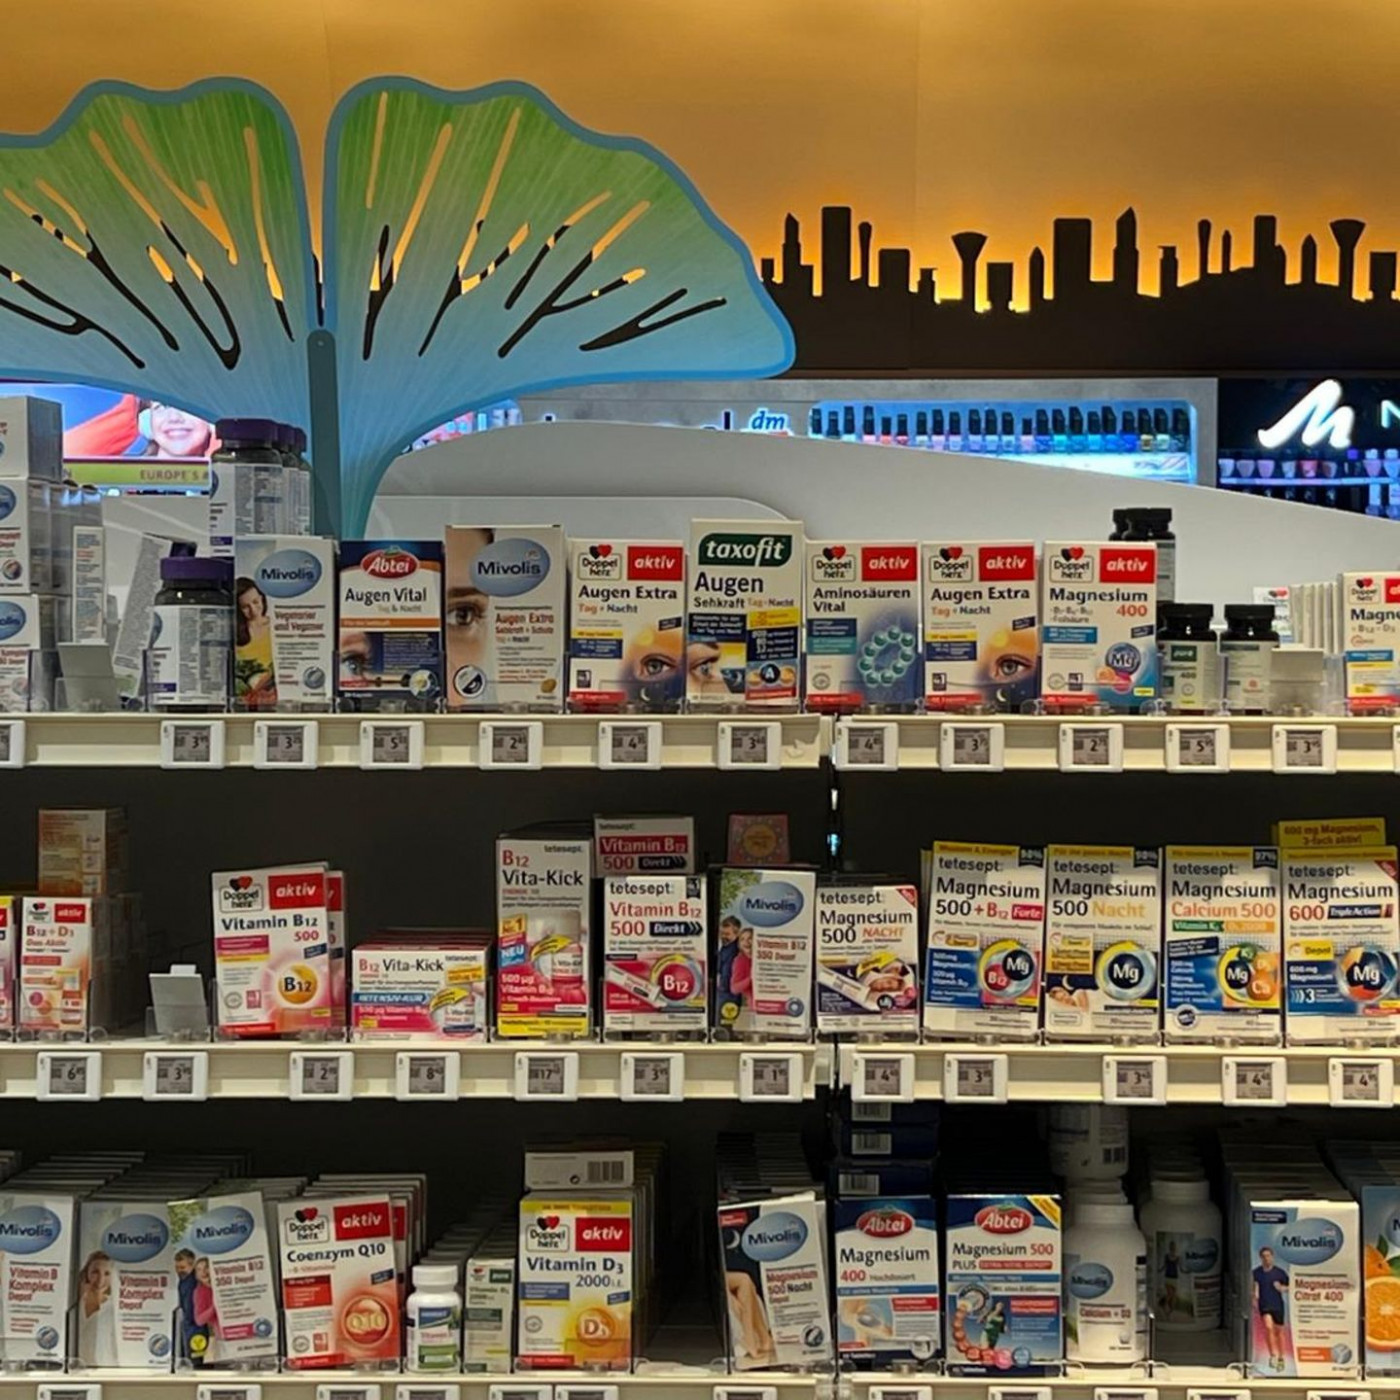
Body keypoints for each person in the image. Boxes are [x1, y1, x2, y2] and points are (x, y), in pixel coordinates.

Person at [235, 577, 276, 704]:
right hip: (245, 699)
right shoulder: (236, 634)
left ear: (262, 598)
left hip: (273, 695)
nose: (253, 610)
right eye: (245, 607)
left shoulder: (277, 627)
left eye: (255, 602)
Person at [1253, 1245, 1290, 1372]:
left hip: (1277, 1305)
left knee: (1279, 1332)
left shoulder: (1280, 1273)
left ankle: (1281, 1357)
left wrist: (1282, 1288)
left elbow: (1290, 1286)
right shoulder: (1256, 1273)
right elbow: (1253, 1287)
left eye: (1268, 1256)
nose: (1266, 1258)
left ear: (1272, 1257)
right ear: (1260, 1258)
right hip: (1264, 1304)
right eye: (1264, 1256)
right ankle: (1273, 1355)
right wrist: (1254, 1296)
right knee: (1268, 1327)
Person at [77, 1250, 117, 1366]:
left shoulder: (113, 1309)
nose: (100, 1280)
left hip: (105, 1371)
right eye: (95, 1272)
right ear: (86, 1273)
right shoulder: (74, 1305)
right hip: (75, 1370)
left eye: (107, 1274)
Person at [716, 915, 742, 1025]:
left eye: (727, 934)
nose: (723, 936)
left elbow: (727, 973)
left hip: (728, 994)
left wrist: (721, 987)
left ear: (737, 934)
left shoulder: (736, 951)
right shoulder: (725, 948)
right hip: (724, 992)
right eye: (722, 933)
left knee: (724, 1024)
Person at [175, 1249, 200, 1362]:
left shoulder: (195, 1282)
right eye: (177, 1267)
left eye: (182, 1267)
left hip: (195, 1327)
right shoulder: (183, 1280)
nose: (179, 1271)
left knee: (195, 1360)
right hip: (188, 1325)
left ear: (192, 1265)